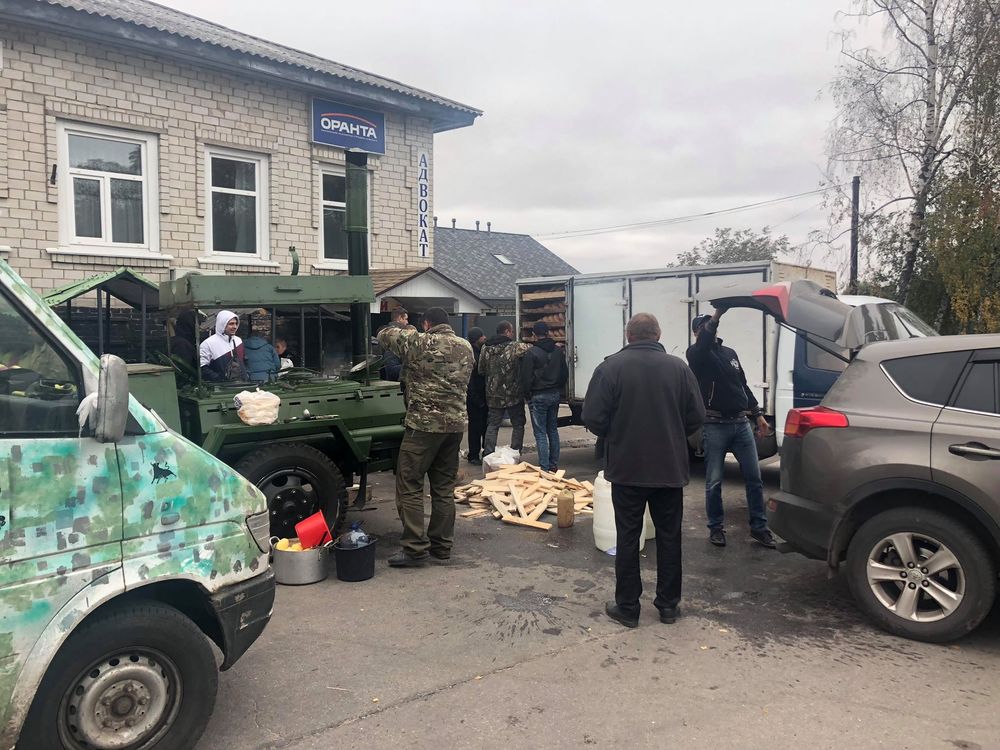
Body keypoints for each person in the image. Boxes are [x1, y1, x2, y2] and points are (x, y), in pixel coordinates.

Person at [584, 313, 705, 628]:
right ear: (658, 335)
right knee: (669, 537)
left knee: (627, 536)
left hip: (627, 469)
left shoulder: (610, 368)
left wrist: (618, 434)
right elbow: (696, 417)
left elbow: (593, 417)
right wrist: (673, 434)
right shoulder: (680, 369)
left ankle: (628, 608)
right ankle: (668, 606)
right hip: (669, 469)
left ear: (629, 336)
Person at [377, 307, 474, 567]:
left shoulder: (419, 342)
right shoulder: (466, 347)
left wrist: (400, 328)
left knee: (409, 483)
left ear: (427, 324)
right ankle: (441, 547)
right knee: (443, 488)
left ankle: (414, 548)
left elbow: (384, 335)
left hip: (423, 427)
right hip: (454, 427)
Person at [687, 309, 777, 549]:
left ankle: (759, 528)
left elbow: (742, 385)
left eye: (711, 324)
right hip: (714, 425)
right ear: (696, 333)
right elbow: (705, 341)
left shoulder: (730, 353)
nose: (710, 328)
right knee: (714, 481)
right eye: (703, 326)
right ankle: (716, 528)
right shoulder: (696, 354)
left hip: (740, 424)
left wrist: (758, 414)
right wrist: (717, 315)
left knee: (754, 478)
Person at [520, 321, 567, 472]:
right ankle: (554, 465)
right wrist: (558, 388)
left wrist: (527, 395)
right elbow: (564, 374)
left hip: (538, 395)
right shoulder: (558, 351)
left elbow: (525, 378)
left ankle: (544, 468)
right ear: (548, 333)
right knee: (552, 430)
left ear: (534, 335)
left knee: (540, 433)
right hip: (554, 394)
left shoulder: (531, 353)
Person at [478, 321, 531, 459]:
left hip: (493, 395)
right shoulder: (515, 347)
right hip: (513, 395)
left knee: (492, 425)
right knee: (518, 424)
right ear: (507, 331)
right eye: (511, 331)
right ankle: (515, 453)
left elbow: (481, 370)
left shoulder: (485, 348)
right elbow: (532, 350)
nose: (512, 334)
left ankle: (488, 455)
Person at [200, 310, 247, 382]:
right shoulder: (208, 344)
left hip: (242, 385)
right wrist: (219, 379)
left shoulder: (238, 341)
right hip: (221, 386)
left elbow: (244, 361)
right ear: (222, 324)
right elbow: (202, 368)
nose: (235, 327)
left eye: (236, 323)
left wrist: (246, 375)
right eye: (231, 324)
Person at [465, 327, 488, 465]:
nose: (484, 338)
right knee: (475, 428)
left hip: (482, 396)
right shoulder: (472, 355)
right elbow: (470, 380)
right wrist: (477, 400)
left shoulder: (480, 352)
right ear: (476, 339)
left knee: (484, 425)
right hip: (476, 398)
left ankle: (485, 453)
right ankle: (473, 455)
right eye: (482, 336)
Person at [380, 307, 408, 382]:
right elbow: (392, 369)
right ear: (399, 318)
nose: (407, 322)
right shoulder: (393, 337)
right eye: (405, 319)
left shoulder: (386, 334)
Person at [169, 309, 200, 373]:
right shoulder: (182, 345)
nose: (199, 329)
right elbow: (185, 370)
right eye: (197, 325)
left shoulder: (178, 340)